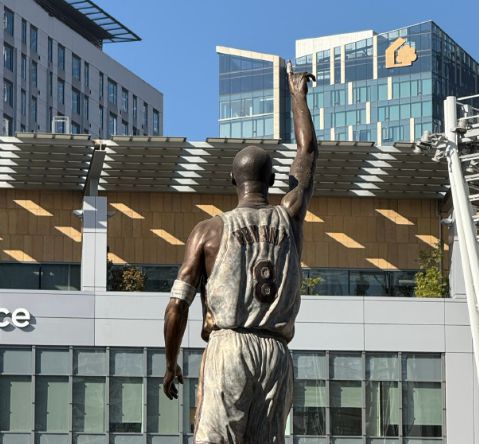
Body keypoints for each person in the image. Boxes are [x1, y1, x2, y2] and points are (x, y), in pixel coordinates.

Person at [163, 64, 318, 444]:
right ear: (272, 180)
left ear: (232, 179)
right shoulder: (289, 216)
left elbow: (177, 305)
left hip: (229, 345)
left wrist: (170, 362)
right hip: (275, 351)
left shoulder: (209, 231)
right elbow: (308, 152)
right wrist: (297, 95)